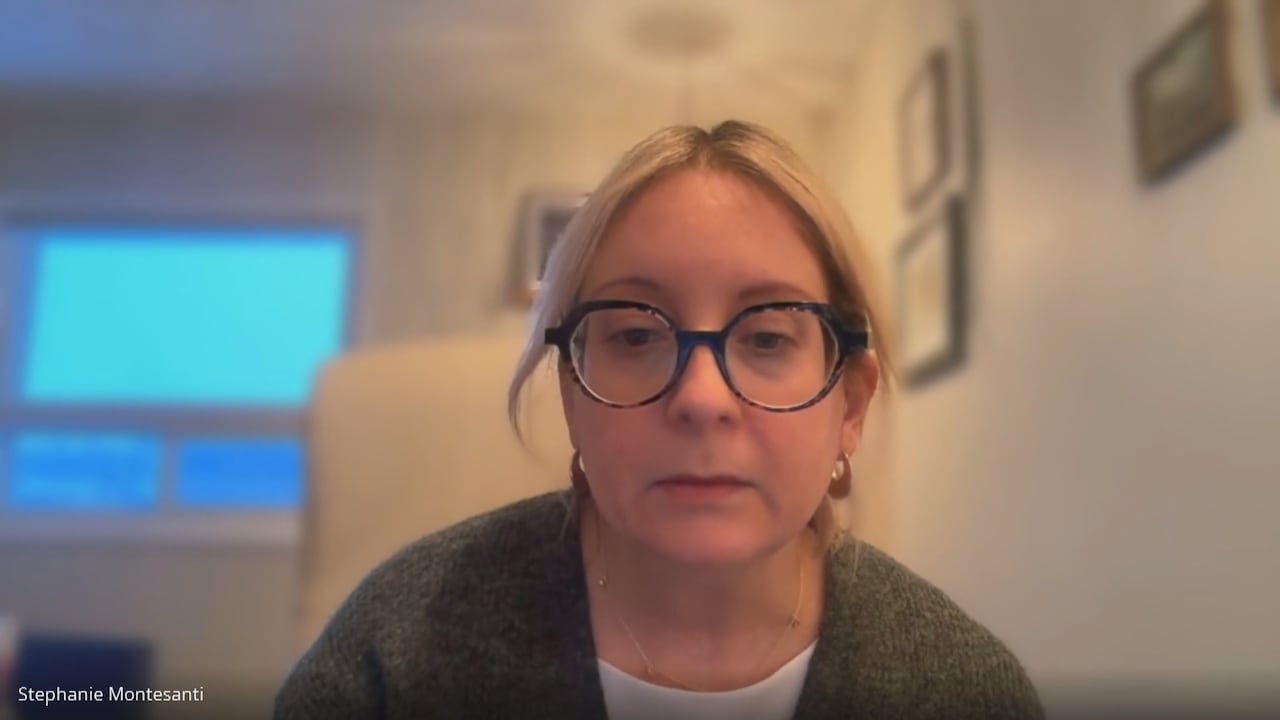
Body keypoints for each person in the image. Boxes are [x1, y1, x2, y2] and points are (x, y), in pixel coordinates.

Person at [274, 120, 1043, 719]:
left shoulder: (965, 688)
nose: (702, 398)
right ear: (571, 389)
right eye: (637, 335)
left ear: (850, 404)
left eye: (769, 336)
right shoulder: (395, 651)